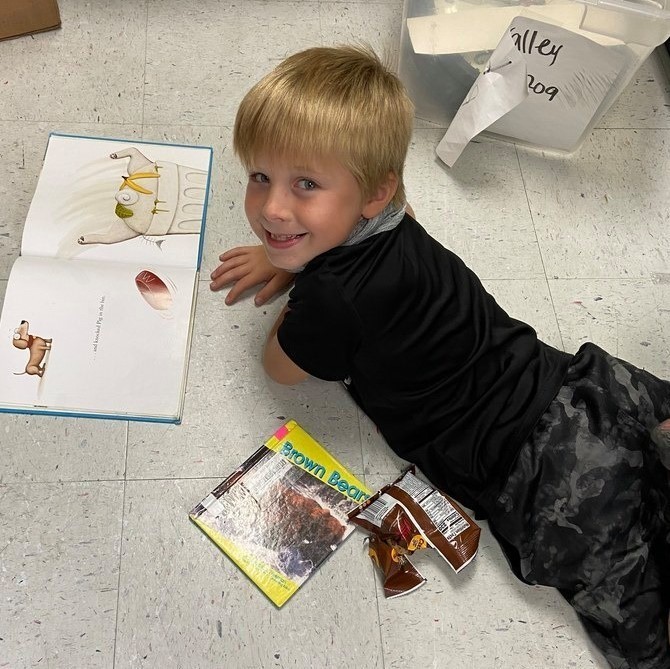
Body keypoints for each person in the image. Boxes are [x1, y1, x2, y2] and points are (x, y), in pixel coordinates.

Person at [210, 44, 670, 668]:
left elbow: (280, 369)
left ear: (374, 192)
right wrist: (289, 248)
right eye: (260, 176)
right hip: (578, 384)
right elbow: (355, 228)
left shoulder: (335, 299)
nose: (270, 209)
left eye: (305, 185)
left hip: (536, 478)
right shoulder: (392, 212)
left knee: (645, 623)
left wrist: (296, 274)